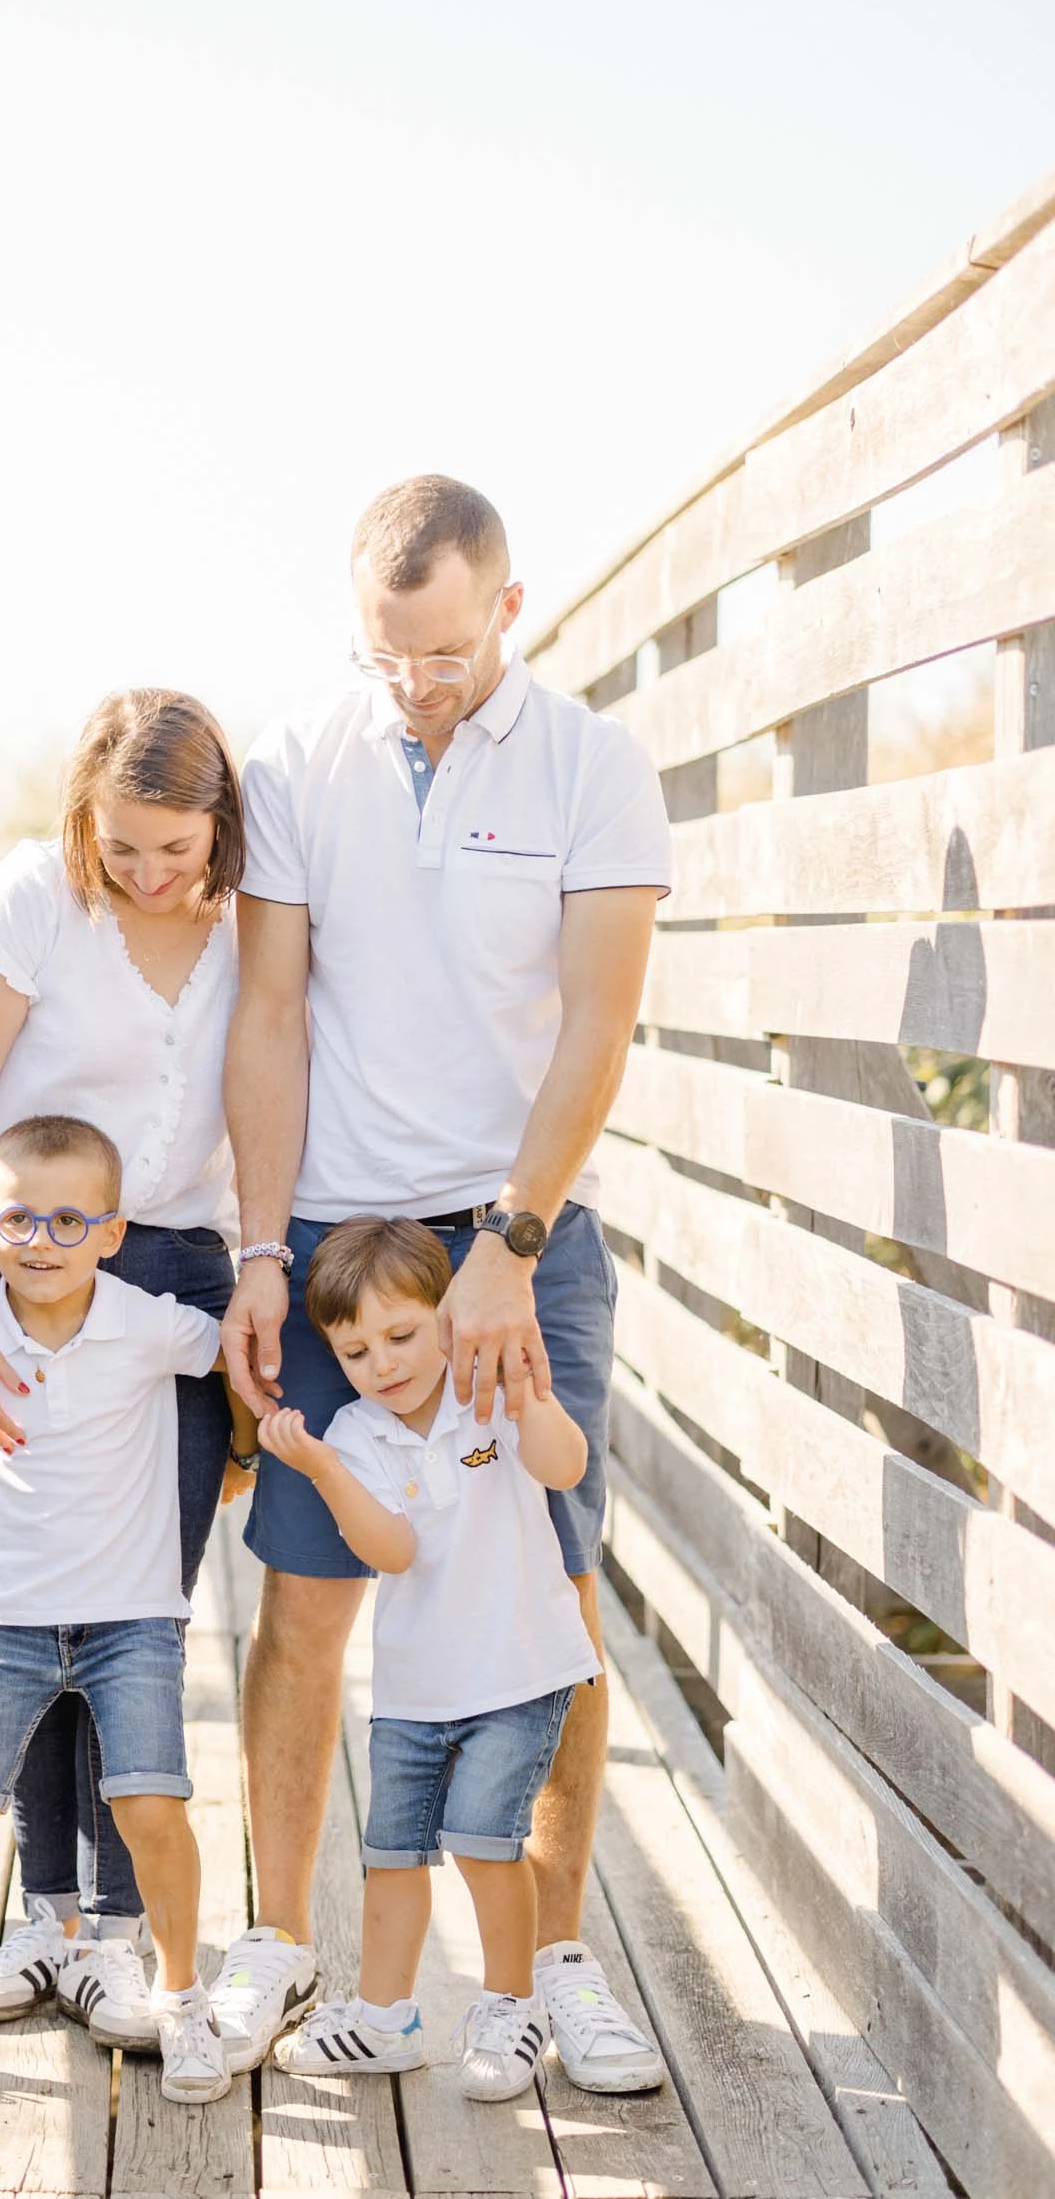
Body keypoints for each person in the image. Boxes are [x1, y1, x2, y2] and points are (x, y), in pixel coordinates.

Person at [215, 474, 673, 2090]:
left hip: (517, 1234)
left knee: (549, 1603)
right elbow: (269, 1017)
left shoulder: (592, 766)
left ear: (510, 608)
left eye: (446, 653)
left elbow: (599, 1025)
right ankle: (281, 1942)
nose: (415, 684)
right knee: (305, 1604)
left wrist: (509, 1244)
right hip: (335, 1243)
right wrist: (257, 1251)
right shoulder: (296, 762)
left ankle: (554, 1969)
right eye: (386, 654)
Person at [0, 688, 252, 2052]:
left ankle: (114, 1934)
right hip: (27, 1266)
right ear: (82, 824)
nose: (151, 874)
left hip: (176, 1281)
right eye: (124, 848)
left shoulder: (258, 916)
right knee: (30, 1590)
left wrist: (265, 1266)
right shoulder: (36, 899)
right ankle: (43, 1919)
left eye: (178, 848)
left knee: (132, 1608)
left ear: (221, 823)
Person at [0, 1114, 230, 2106]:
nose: (43, 1242)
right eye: (17, 1220)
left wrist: (240, 1461)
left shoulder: (145, 1322)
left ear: (112, 1232)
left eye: (71, 1221)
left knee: (151, 1805)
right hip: (5, 1624)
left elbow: (233, 1359)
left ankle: (182, 1999)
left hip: (130, 1620)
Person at [255, 1220, 597, 2095]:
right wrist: (325, 1471)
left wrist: (527, 1394)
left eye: (402, 1335)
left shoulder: (488, 1389)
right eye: (356, 1351)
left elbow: (564, 1468)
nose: (384, 1364)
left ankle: (512, 2006)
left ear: (447, 1317)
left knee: (485, 1843)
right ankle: (384, 2019)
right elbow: (393, 1551)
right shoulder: (356, 1434)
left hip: (517, 1672)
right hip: (414, 1688)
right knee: (392, 1855)